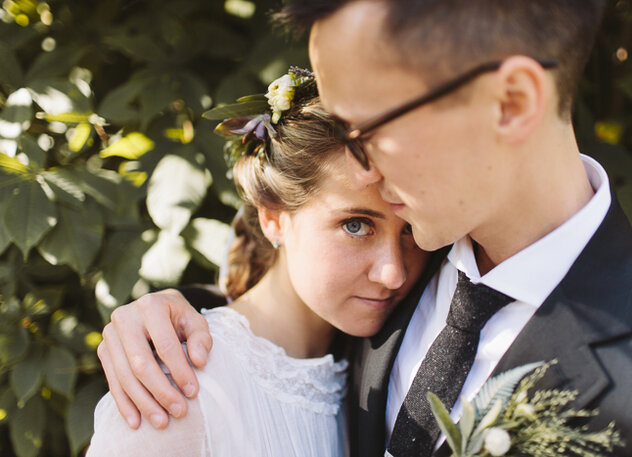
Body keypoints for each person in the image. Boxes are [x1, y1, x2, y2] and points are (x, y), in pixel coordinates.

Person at [97, 1, 632, 456]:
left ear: (509, 103)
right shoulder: (404, 265)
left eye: (366, 128)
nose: (361, 168)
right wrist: (168, 324)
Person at [86, 70, 432, 456]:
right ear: (273, 218)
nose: (394, 272)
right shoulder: (179, 393)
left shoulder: (361, 375)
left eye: (412, 230)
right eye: (356, 225)